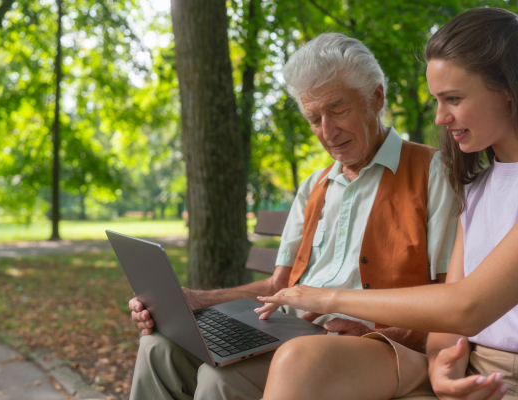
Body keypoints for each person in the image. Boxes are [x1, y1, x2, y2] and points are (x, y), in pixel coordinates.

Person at [255, 7, 518, 400]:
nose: (440, 117)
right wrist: (443, 365)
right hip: (466, 365)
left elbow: (467, 306)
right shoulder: (478, 185)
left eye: (453, 98)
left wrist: (321, 296)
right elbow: (449, 321)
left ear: (509, 89)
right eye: (437, 101)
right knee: (299, 358)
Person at [127, 32, 458, 400]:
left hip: (362, 345)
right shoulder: (314, 186)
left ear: (375, 98)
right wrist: (197, 301)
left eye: (337, 109)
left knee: (221, 380)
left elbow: (449, 298)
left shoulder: (432, 172)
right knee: (158, 347)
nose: (327, 132)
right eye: (314, 118)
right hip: (287, 330)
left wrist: (379, 332)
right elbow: (276, 288)